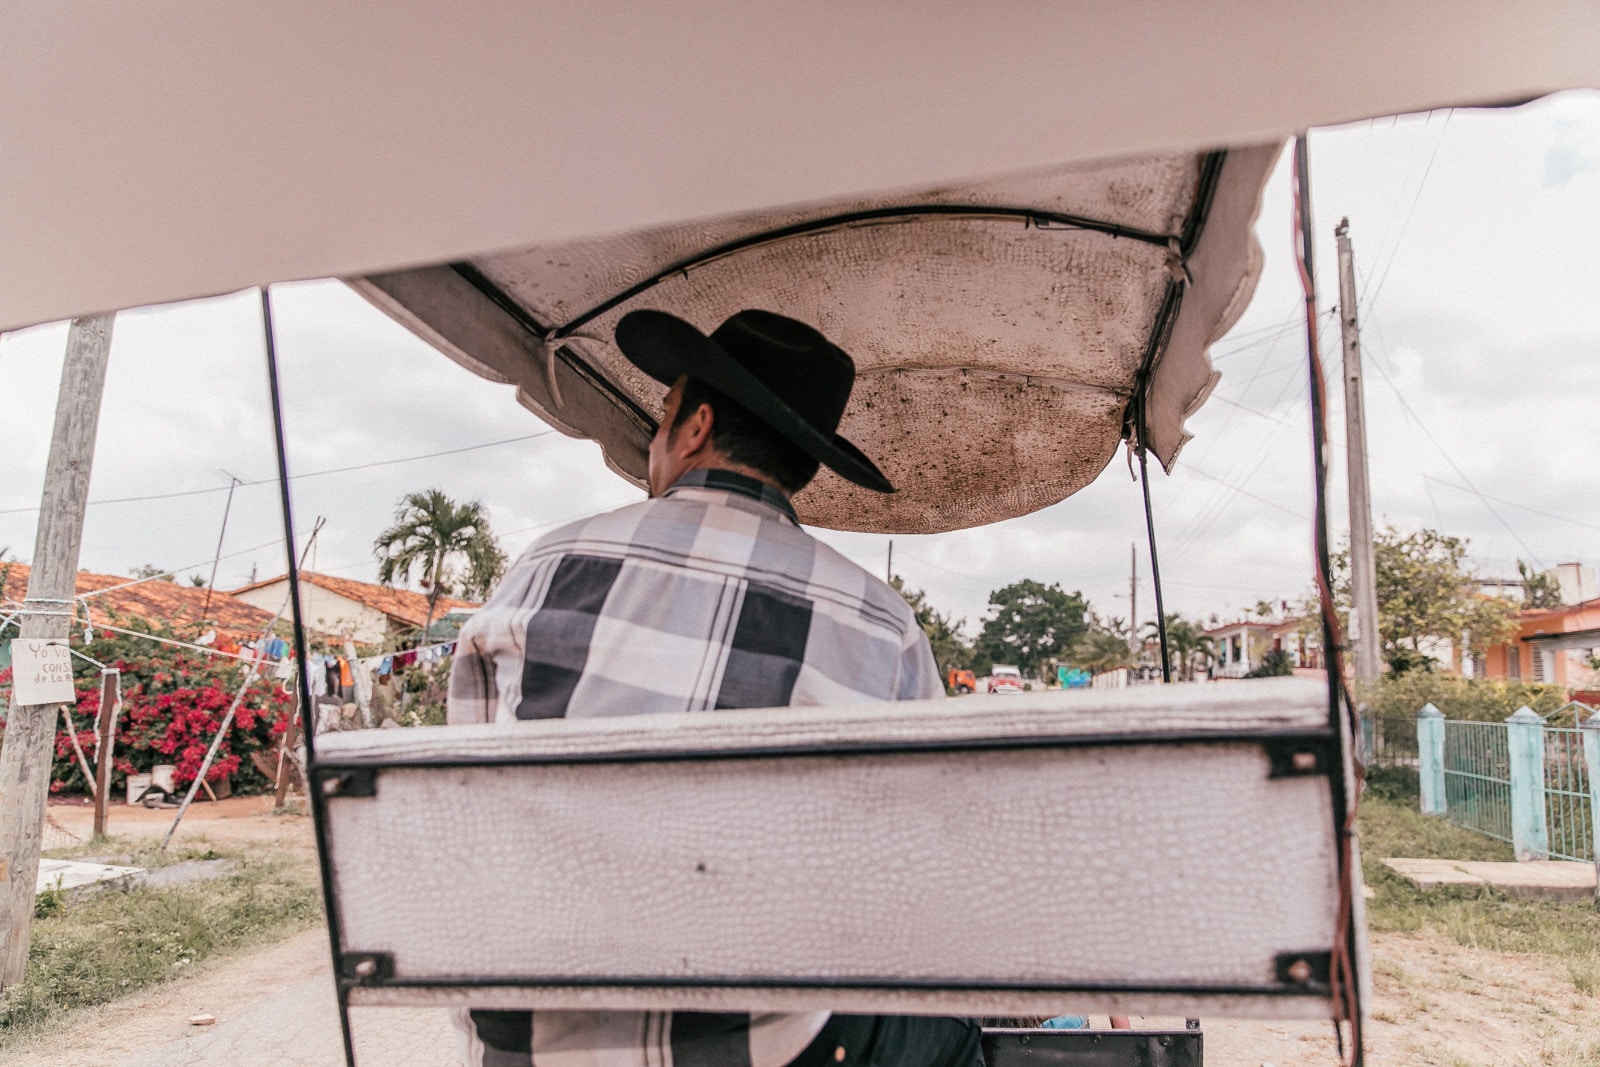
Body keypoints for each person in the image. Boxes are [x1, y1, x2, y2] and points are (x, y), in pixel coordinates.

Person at [447, 308, 981, 1067]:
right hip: (760, 1042)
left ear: (694, 427)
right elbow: (914, 860)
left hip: (524, 1035)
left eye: (662, 417)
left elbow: (462, 796)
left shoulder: (547, 563)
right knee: (952, 1037)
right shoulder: (880, 621)